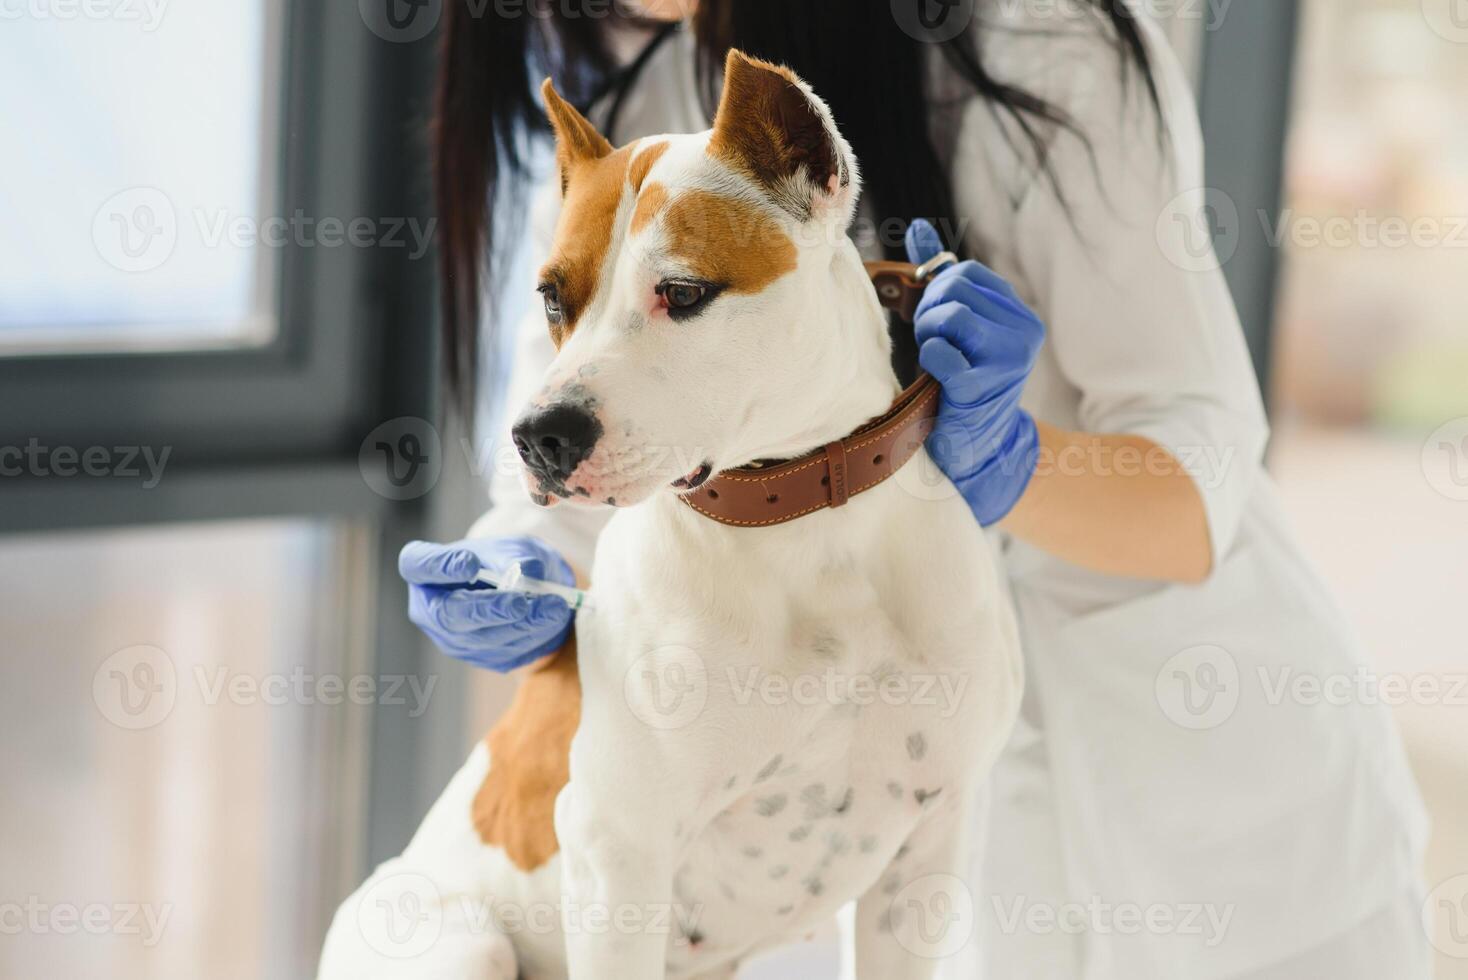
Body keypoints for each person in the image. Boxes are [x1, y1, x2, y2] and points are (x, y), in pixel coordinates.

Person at [400, 1, 1431, 975]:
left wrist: (1005, 456)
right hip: (929, 859)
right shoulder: (636, 107)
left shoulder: (1037, 44)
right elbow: (618, 443)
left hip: (1226, 826)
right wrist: (517, 559)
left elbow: (1200, 468)